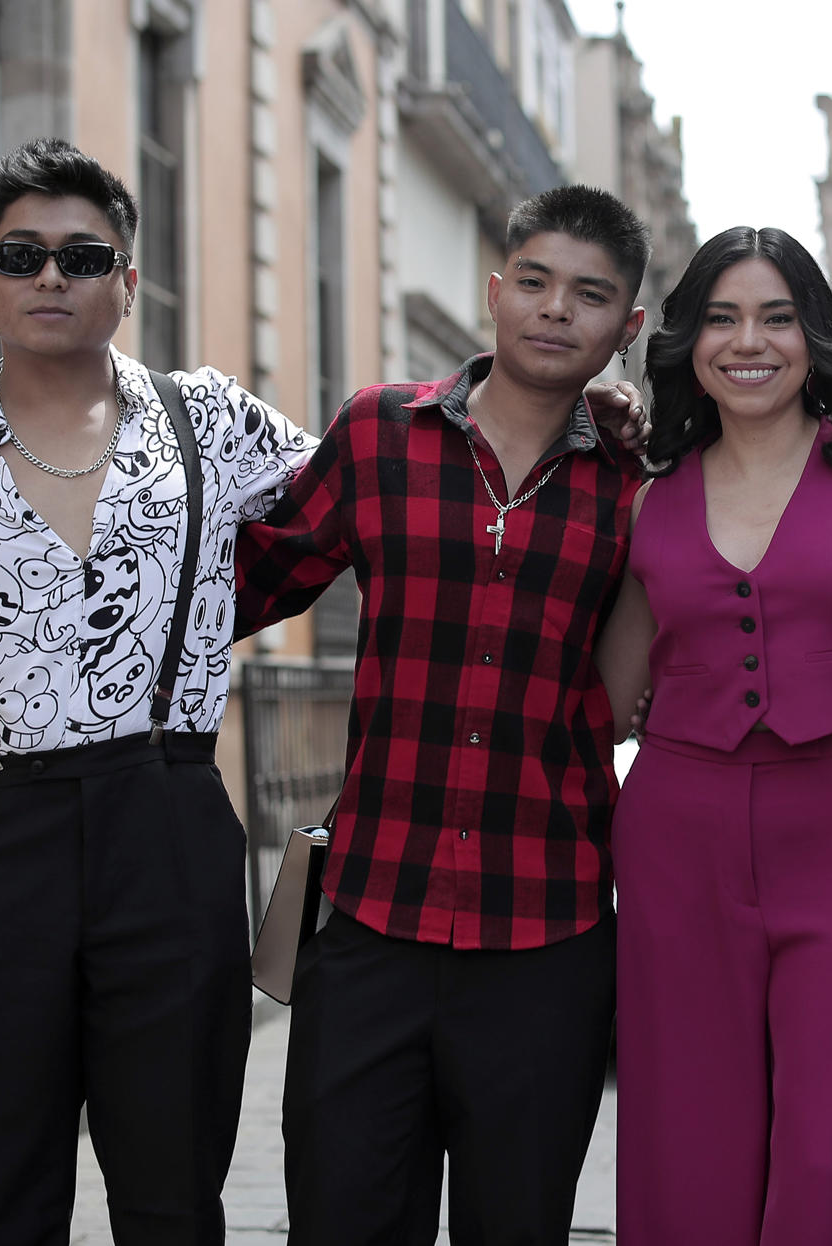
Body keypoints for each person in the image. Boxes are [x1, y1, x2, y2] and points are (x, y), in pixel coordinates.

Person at [0, 138, 316, 1245]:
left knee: (172, 1186)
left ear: (129, 281)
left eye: (82, 254)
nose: (51, 275)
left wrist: (561, 415)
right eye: (21, 254)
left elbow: (382, 487)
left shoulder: (213, 422)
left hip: (170, 818)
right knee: (4, 1191)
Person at [234, 185, 655, 1246]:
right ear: (495, 290)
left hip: (549, 933)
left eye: (590, 294)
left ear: (628, 328)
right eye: (536, 282)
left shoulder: (638, 488)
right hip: (372, 918)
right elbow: (240, 583)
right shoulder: (379, 433)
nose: (557, 310)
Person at [592, 225, 832, 1245]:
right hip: (676, 831)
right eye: (720, 317)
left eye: (776, 316)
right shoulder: (646, 496)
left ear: (816, 337)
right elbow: (611, 692)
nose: (748, 340)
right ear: (688, 344)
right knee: (686, 1128)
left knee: (829, 1135)